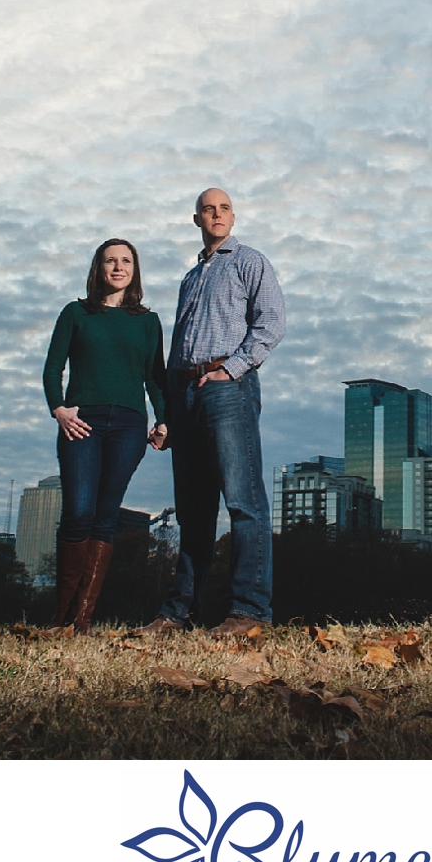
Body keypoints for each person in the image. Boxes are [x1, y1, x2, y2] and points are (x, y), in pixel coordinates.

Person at [138, 188, 284, 637]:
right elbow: (178, 347)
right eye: (208, 209)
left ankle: (250, 612)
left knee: (243, 501)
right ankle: (179, 613)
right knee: (192, 511)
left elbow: (271, 323)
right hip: (185, 394)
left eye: (224, 209)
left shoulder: (250, 261)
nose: (216, 215)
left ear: (233, 217)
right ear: (196, 218)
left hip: (227, 389)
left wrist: (232, 369)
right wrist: (168, 417)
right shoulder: (190, 278)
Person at [42, 238, 168, 634]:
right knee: (78, 511)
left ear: (135, 270)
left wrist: (164, 419)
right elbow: (52, 368)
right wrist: (59, 408)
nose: (118, 267)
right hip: (83, 422)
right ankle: (60, 617)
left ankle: (81, 622)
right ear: (98, 268)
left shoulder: (148, 322)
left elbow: (156, 377)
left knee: (106, 518)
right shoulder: (76, 313)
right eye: (110, 260)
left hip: (129, 426)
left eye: (126, 261)